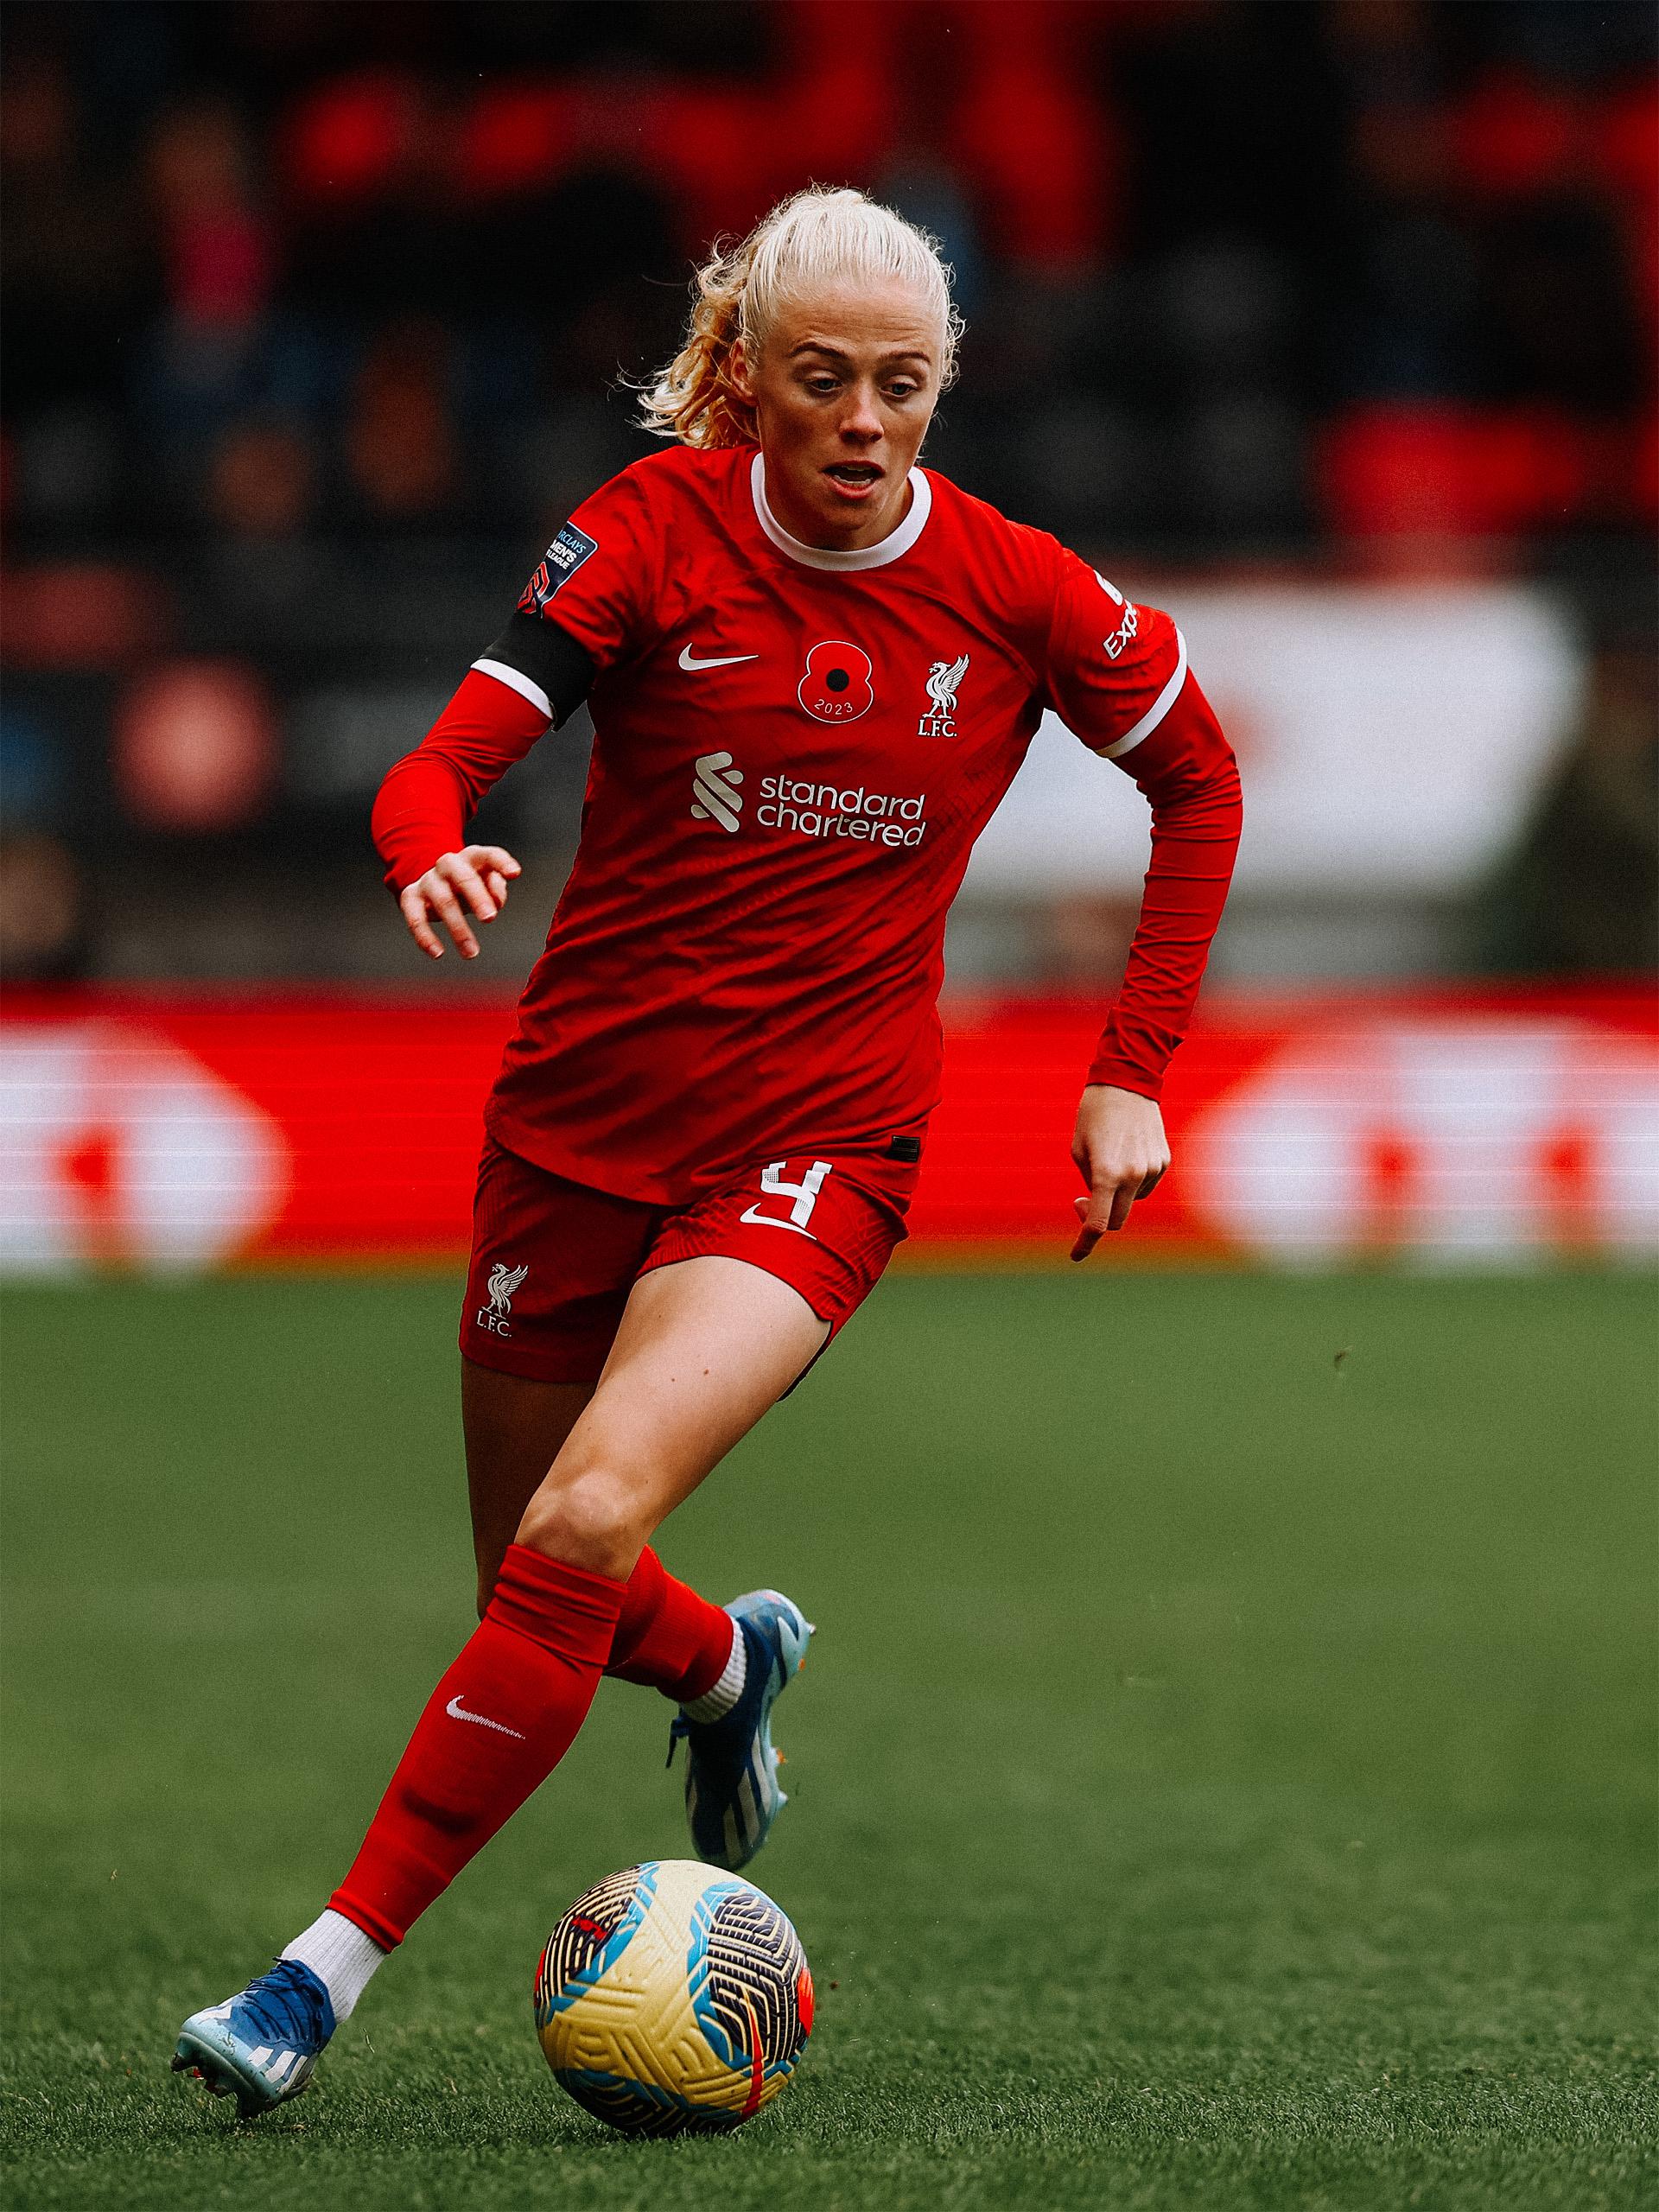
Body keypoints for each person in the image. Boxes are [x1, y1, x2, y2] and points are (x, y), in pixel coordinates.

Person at [173, 187, 1243, 2119]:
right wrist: (430, 840)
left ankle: (311, 1977)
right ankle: (726, 1661)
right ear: (741, 371)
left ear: (945, 387)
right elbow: (445, 757)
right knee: (537, 1574)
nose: (860, 420)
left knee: (581, 1527)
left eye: (901, 385)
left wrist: (1133, 1064)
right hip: (572, 1132)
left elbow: (1198, 771)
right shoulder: (651, 533)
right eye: (820, 377)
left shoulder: (1012, 590)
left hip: (816, 1148)